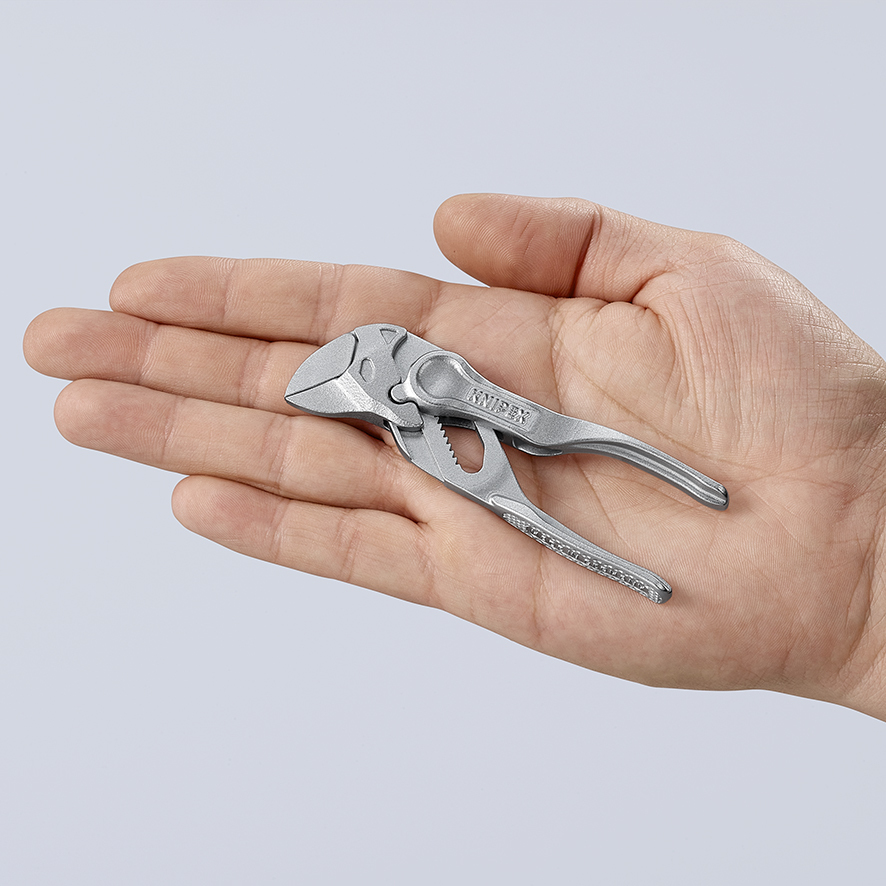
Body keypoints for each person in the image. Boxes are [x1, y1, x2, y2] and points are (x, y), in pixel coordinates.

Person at [23, 193, 886, 721]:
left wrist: (867, 506)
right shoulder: (407, 417)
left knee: (559, 436)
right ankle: (650, 567)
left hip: (491, 397)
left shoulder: (441, 386)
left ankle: (680, 520)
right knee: (526, 496)